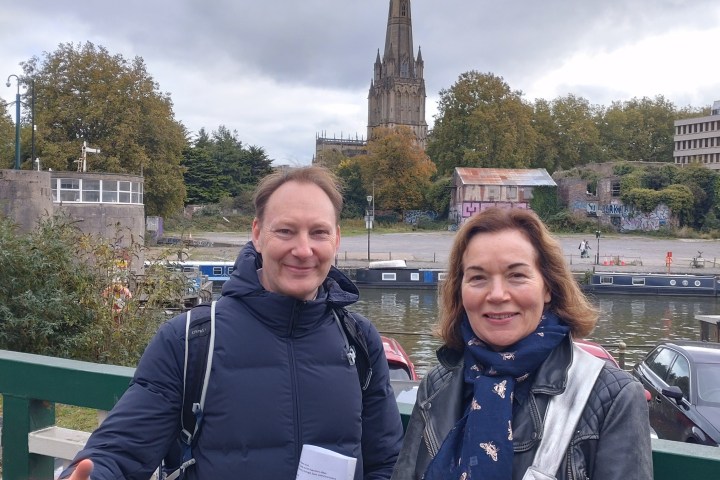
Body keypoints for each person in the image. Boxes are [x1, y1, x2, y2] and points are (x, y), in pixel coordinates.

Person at [62, 166, 403, 480]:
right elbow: (119, 451)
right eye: (285, 231)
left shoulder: (358, 340)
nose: (303, 249)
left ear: (336, 240)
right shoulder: (189, 341)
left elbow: (385, 463)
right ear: (257, 234)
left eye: (318, 233)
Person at [391, 207, 652, 480]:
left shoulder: (613, 397)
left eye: (516, 275)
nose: (497, 294)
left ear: (548, 287)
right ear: (460, 289)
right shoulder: (438, 383)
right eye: (478, 278)